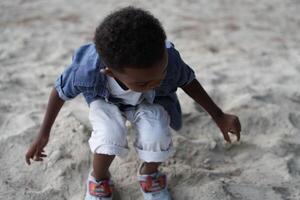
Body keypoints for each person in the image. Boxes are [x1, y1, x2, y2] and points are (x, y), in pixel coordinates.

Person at [25, 6, 241, 200]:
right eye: (144, 81)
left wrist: (219, 116)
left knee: (157, 133)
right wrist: (43, 134)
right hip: (105, 101)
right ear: (110, 72)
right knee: (108, 136)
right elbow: (59, 92)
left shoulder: (169, 59)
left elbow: (188, 82)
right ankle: (99, 179)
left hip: (151, 101)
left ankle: (149, 174)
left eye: (161, 73)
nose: (157, 81)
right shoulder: (86, 73)